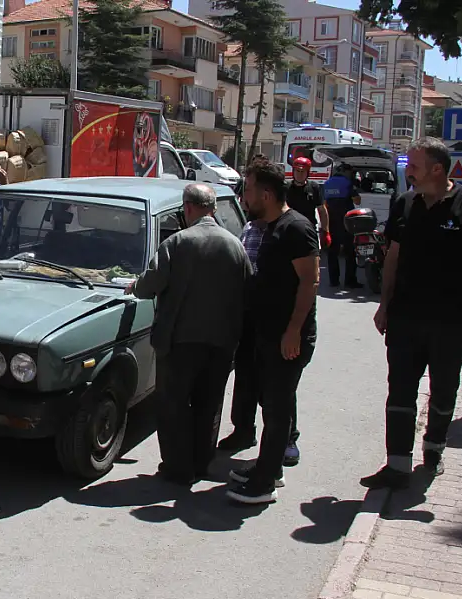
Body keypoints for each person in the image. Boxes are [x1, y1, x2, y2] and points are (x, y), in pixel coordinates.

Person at [361, 138, 462, 490]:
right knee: (400, 390)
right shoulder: (405, 204)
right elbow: (393, 256)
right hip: (405, 317)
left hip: (449, 318)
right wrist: (384, 304)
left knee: (443, 391)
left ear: (437, 170)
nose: (408, 171)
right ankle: (397, 465)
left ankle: (433, 449)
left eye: (414, 165)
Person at [127, 184, 253, 484]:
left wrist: (135, 285)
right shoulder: (235, 245)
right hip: (221, 343)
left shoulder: (178, 242)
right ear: (213, 208)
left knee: (173, 405)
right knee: (208, 405)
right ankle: (200, 463)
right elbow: (249, 289)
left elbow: (150, 284)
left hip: (179, 342)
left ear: (188, 208)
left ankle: (176, 467)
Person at [228, 160, 320, 505]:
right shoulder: (267, 226)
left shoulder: (295, 227)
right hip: (267, 332)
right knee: (271, 406)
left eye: (248, 189)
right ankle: (268, 468)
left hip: (288, 336)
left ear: (266, 194)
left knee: (278, 411)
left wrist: (294, 330)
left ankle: (264, 484)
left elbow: (310, 282)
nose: (244, 195)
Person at [217, 216, 265, 452]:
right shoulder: (249, 228)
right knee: (245, 376)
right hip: (246, 315)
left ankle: (287, 440)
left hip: (271, 318)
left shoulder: (289, 229)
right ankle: (243, 430)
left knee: (275, 384)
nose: (245, 200)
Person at [322, 162, 362, 288]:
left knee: (332, 252)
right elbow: (358, 201)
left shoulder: (327, 183)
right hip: (346, 222)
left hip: (331, 221)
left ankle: (334, 281)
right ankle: (350, 281)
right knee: (350, 251)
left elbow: (323, 203)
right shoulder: (348, 183)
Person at [286, 156, 330, 249]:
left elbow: (322, 210)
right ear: (293, 171)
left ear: (307, 173)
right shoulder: (286, 187)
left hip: (308, 230)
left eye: (302, 172)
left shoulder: (314, 187)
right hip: (289, 230)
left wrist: (326, 232)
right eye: (297, 171)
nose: (299, 174)